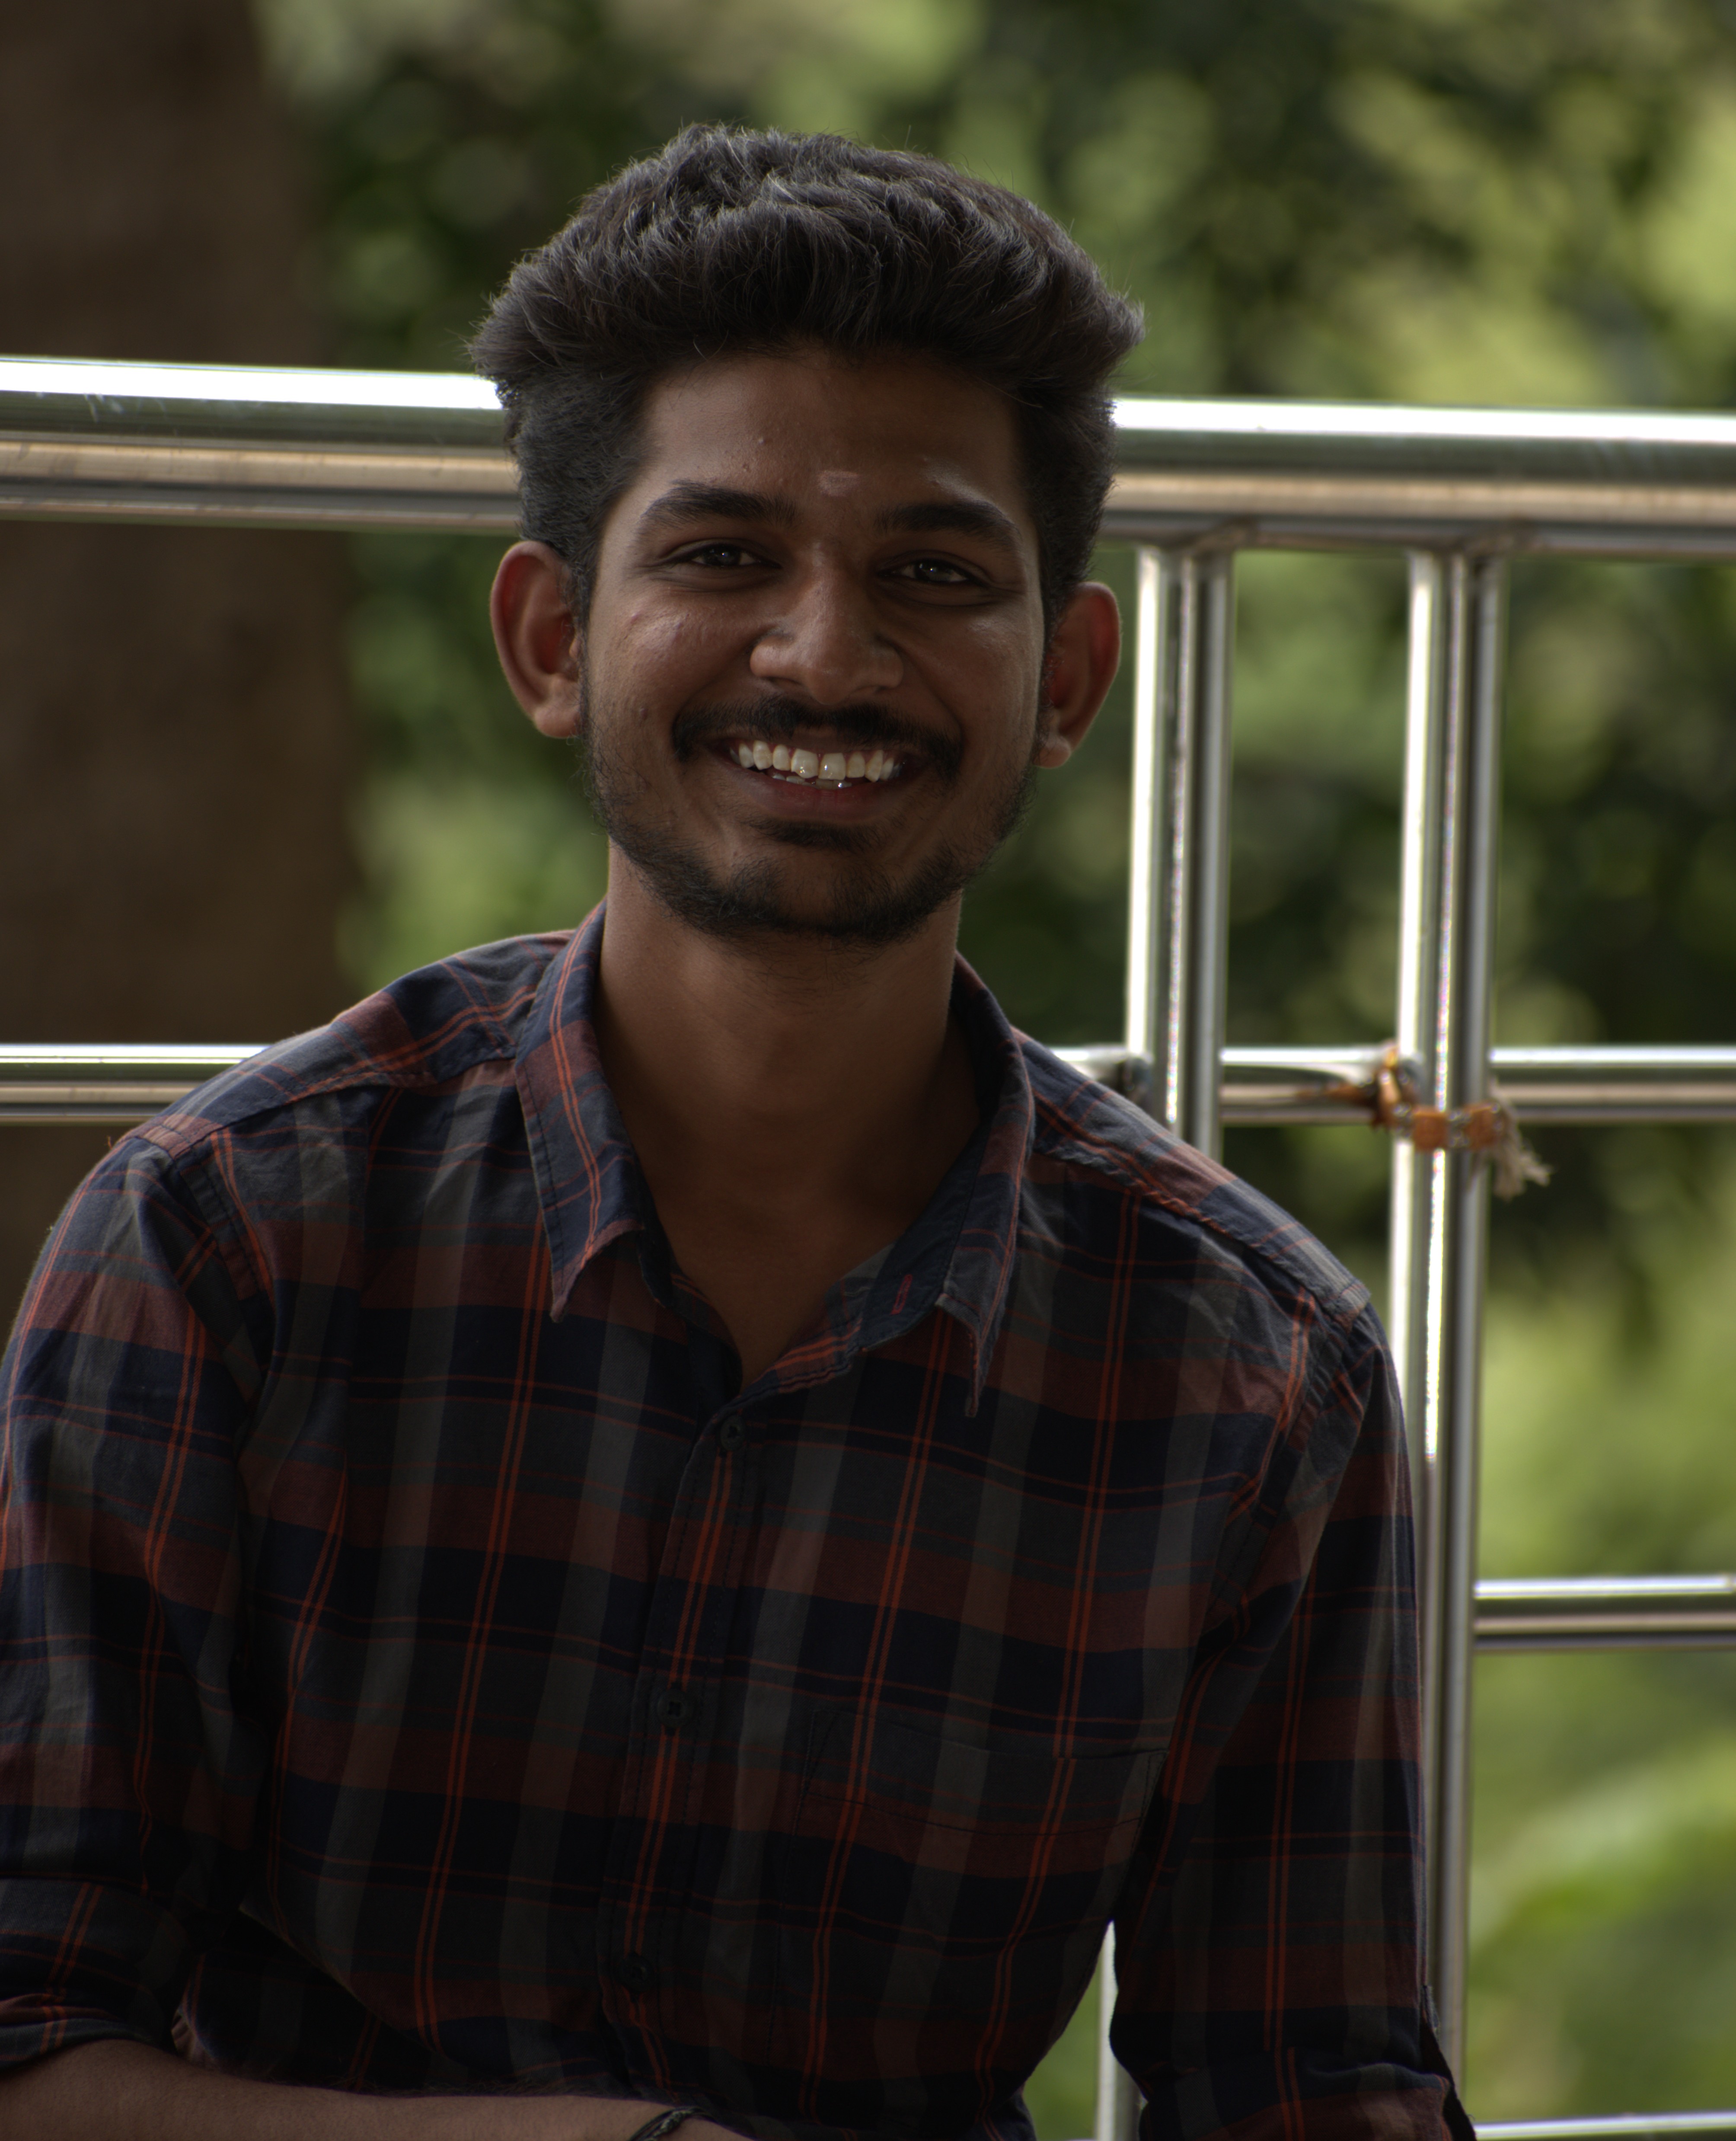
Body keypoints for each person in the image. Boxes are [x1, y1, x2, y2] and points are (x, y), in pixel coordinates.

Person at [0, 127, 1465, 2141]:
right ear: (549, 638)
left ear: (1066, 677)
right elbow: (28, 2041)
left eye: (932, 574)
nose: (823, 654)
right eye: (718, 557)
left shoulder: (1254, 1371)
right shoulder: (226, 1241)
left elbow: (1306, 2085)